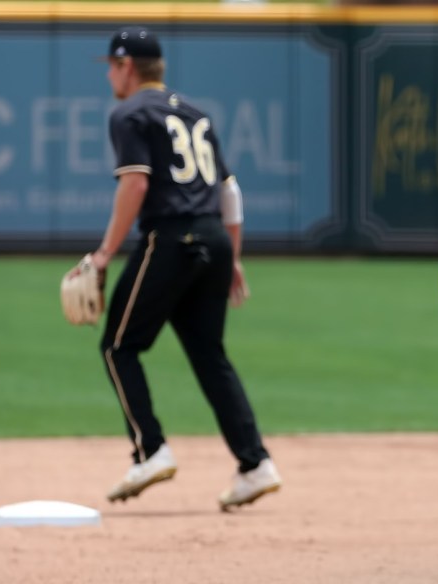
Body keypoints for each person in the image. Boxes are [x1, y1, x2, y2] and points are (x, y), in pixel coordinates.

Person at [87, 26, 281, 511]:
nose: (109, 74)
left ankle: (150, 450)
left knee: (117, 346)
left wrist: (104, 253)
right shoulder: (196, 112)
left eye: (111, 65)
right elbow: (229, 192)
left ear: (127, 66)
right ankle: (255, 464)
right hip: (213, 240)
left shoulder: (128, 112)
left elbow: (134, 185)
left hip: (171, 238)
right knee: (208, 354)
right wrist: (231, 256)